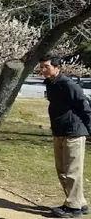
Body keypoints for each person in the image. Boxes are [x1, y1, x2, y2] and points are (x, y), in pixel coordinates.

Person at [40, 56, 91, 218]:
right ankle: (78, 202)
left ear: (57, 67)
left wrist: (89, 130)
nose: (42, 70)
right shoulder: (51, 84)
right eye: (41, 67)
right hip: (59, 131)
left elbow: (85, 107)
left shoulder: (68, 85)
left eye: (46, 67)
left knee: (72, 171)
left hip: (73, 133)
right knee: (62, 170)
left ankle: (74, 209)